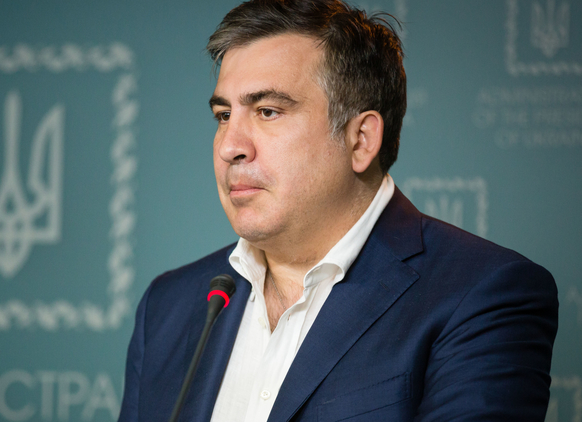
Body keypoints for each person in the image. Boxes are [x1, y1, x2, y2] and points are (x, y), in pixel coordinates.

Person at [119, 0, 558, 421]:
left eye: (267, 111)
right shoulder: (168, 306)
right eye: (223, 116)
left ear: (361, 140)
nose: (230, 146)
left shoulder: (482, 295)